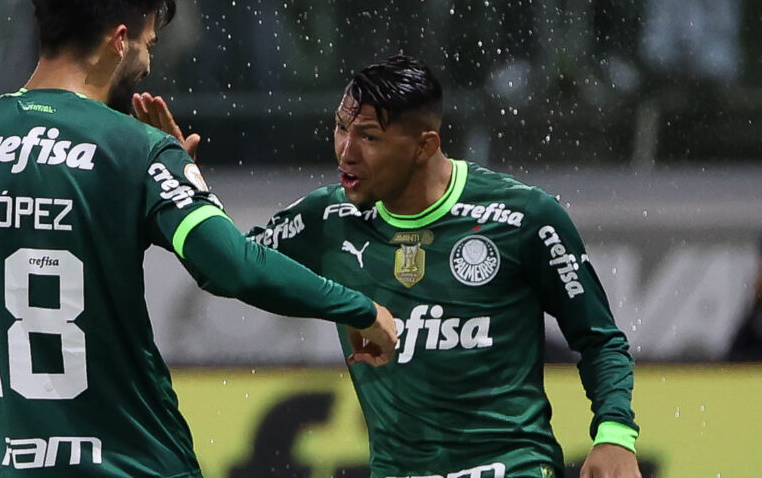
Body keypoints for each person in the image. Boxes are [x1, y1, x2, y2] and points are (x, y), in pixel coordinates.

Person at [0, 0, 398, 478]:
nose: (148, 62)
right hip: (135, 463)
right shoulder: (137, 150)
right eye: (149, 44)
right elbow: (231, 267)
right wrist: (356, 307)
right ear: (119, 39)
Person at [134, 55, 640, 478]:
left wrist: (615, 433)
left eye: (370, 137)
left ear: (424, 146)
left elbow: (599, 338)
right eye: (339, 128)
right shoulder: (326, 217)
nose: (345, 152)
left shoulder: (524, 218)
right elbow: (228, 266)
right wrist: (184, 185)